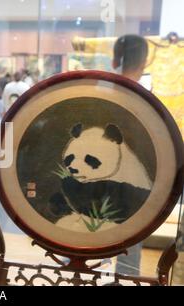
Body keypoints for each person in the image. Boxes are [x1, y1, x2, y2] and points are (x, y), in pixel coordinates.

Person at [112, 34, 149, 276]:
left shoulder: (103, 88)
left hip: (99, 176)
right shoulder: (143, 98)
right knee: (131, 239)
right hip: (133, 180)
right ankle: (124, 278)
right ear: (144, 61)